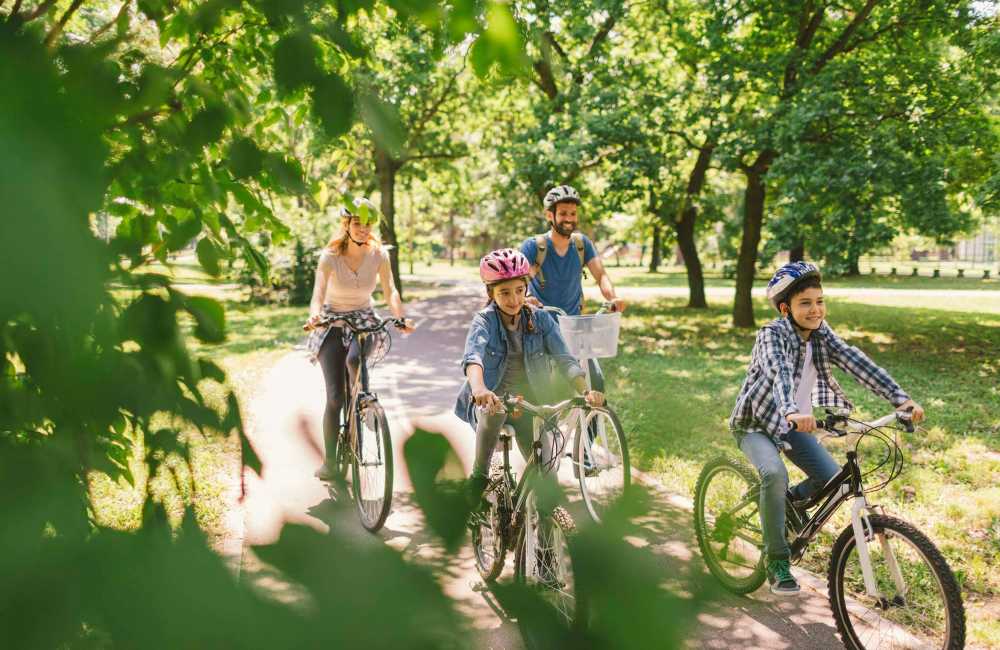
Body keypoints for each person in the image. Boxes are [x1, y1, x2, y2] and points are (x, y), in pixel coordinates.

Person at [729, 261, 924, 595]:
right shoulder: (770, 336)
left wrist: (900, 399)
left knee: (833, 481)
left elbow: (855, 360)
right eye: (805, 303)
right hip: (757, 424)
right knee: (774, 474)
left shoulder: (822, 335)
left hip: (793, 424)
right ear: (785, 308)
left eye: (820, 301)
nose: (815, 310)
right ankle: (776, 560)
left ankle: (784, 505)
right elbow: (779, 374)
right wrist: (792, 410)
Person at [455, 248, 604, 504]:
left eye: (519, 290)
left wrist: (584, 390)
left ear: (526, 288)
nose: (513, 299)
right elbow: (474, 358)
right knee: (495, 410)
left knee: (548, 482)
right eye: (504, 292)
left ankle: (545, 540)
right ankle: (479, 477)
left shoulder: (541, 319)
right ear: (491, 293)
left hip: (528, 404)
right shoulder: (484, 321)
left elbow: (564, 358)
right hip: (491, 400)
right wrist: (479, 389)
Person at [304, 197, 412, 480]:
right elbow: (317, 294)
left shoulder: (379, 255)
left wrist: (400, 317)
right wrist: (314, 316)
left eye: (367, 224)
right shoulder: (330, 257)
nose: (363, 229)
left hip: (364, 319)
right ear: (346, 225)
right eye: (357, 223)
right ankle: (330, 462)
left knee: (355, 359)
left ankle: (363, 403)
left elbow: (390, 290)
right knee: (335, 398)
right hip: (331, 322)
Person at [519, 184, 625, 394]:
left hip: (574, 326)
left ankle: (592, 426)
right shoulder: (534, 247)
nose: (569, 218)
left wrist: (613, 298)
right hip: (541, 326)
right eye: (563, 213)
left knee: (595, 382)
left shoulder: (581, 244)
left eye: (573, 213)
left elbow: (600, 274)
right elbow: (521, 282)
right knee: (545, 389)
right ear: (550, 215)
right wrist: (528, 296)